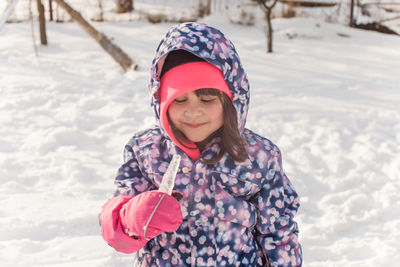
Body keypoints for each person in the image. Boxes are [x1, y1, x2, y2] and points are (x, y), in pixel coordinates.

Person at [100, 22, 302, 267]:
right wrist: (133, 217)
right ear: (161, 101)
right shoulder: (146, 151)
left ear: (231, 99)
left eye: (206, 99)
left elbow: (279, 232)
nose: (192, 112)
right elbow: (115, 229)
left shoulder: (258, 156)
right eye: (179, 99)